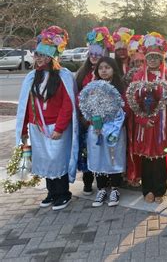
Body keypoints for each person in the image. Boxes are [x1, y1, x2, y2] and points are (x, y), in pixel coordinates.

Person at [16, 26, 79, 211]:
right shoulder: (31, 77)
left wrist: (59, 128)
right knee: (44, 160)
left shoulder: (63, 76)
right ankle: (51, 193)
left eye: (43, 55)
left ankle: (63, 193)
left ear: (52, 56)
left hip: (56, 128)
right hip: (37, 129)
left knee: (58, 160)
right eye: (37, 54)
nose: (39, 58)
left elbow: (68, 105)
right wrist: (25, 129)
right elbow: (26, 105)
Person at [129, 32, 167, 203]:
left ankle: (159, 190)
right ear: (145, 58)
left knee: (159, 158)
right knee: (146, 158)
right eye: (149, 57)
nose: (152, 60)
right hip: (144, 126)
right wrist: (142, 120)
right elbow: (132, 101)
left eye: (156, 57)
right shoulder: (138, 77)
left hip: (162, 127)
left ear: (161, 59)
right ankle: (147, 189)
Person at [82, 57, 127, 207]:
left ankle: (115, 188)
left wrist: (114, 124)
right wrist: (94, 122)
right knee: (98, 157)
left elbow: (124, 109)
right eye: (101, 68)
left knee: (114, 157)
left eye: (107, 67)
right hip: (96, 130)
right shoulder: (92, 88)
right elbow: (86, 108)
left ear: (114, 69)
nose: (104, 70)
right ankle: (101, 188)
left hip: (115, 129)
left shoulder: (120, 88)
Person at [76, 27, 115, 195]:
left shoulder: (106, 72)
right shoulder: (81, 74)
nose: (94, 57)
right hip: (86, 119)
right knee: (86, 149)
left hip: (105, 120)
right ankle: (87, 179)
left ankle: (105, 180)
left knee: (102, 149)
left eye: (97, 54)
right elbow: (77, 96)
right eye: (91, 53)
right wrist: (84, 117)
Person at [124, 34, 145, 186]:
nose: (138, 64)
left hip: (147, 114)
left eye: (141, 61)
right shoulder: (126, 77)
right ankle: (134, 174)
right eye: (135, 62)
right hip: (132, 117)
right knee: (134, 146)